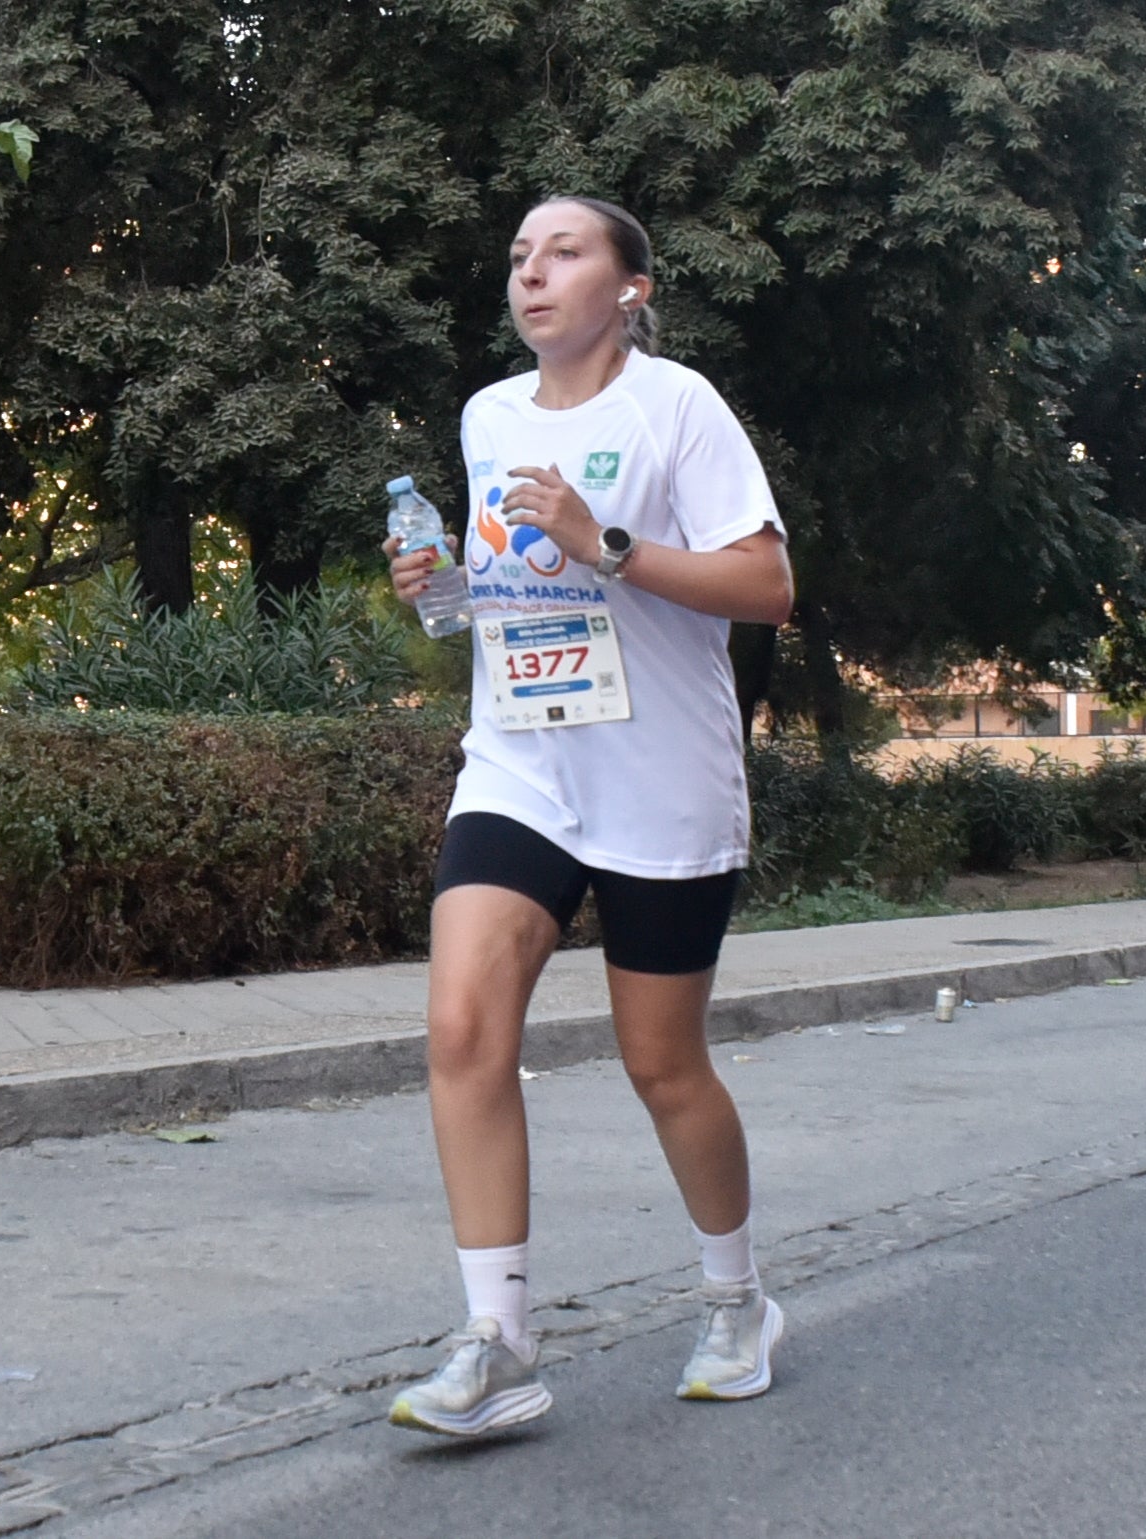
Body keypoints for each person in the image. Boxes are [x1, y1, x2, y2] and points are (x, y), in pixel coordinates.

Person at [382, 196, 794, 1436]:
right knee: (461, 1029)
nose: (531, 273)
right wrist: (438, 587)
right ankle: (497, 1341)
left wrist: (604, 539)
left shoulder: (680, 407)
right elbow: (504, 601)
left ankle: (737, 1300)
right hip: (521, 765)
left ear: (629, 287)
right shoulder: (488, 417)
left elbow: (767, 586)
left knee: (662, 1064)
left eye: (563, 252)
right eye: (518, 257)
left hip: (659, 777)